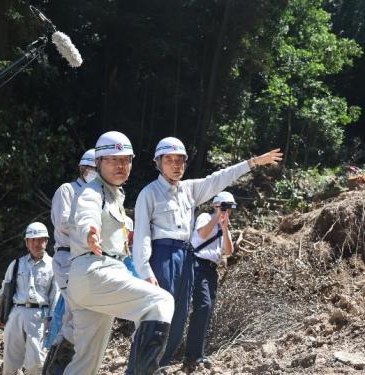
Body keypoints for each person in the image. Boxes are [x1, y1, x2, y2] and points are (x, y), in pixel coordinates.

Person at [133, 136, 282, 365]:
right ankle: (138, 367)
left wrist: (253, 162)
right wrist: (145, 270)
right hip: (162, 255)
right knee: (156, 316)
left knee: (179, 316)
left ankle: (159, 365)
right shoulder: (149, 193)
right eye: (169, 160)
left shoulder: (189, 190)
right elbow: (142, 234)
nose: (175, 165)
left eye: (180, 160)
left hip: (186, 255)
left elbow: (219, 178)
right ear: (158, 163)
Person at [64, 131, 174, 375]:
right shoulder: (92, 191)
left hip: (92, 279)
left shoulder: (115, 196)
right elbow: (86, 214)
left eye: (126, 160)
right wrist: (89, 232)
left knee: (86, 364)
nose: (121, 165)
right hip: (96, 271)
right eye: (113, 160)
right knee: (161, 301)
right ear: (99, 162)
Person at [43, 148, 97, 374]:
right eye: (92, 168)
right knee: (77, 313)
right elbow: (63, 222)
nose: (94, 173)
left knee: (75, 317)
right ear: (83, 168)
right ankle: (56, 367)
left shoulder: (99, 195)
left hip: (88, 258)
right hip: (68, 256)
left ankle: (61, 367)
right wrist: (88, 227)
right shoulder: (68, 190)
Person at [0, 222, 59, 375]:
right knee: (10, 362)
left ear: (46, 241)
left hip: (40, 317)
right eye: (32, 240)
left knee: (36, 364)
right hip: (16, 314)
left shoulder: (54, 265)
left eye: (40, 239)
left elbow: (55, 296)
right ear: (27, 242)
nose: (36, 243)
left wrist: (52, 321)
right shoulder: (16, 264)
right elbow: (5, 290)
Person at [184, 191, 236, 369]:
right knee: (203, 306)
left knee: (207, 310)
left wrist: (225, 227)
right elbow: (203, 233)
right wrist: (217, 217)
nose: (227, 211)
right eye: (224, 206)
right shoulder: (205, 217)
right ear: (216, 205)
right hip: (198, 265)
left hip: (212, 270)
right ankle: (192, 356)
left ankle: (197, 354)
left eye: (229, 208)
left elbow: (229, 251)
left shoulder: (223, 226)